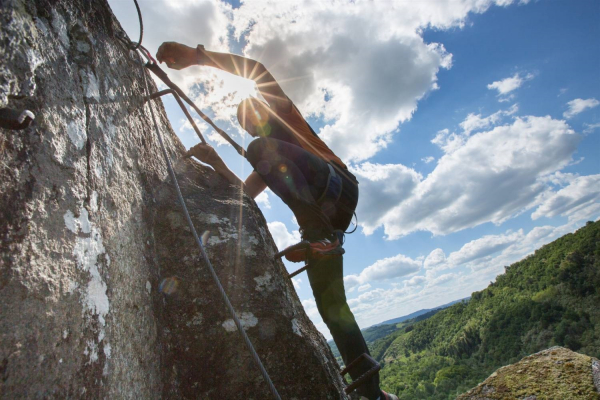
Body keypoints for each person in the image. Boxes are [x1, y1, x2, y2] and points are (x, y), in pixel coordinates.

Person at [156, 42, 398, 400]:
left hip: (337, 187)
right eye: (248, 126)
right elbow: (242, 194)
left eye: (253, 116)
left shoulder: (285, 116)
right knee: (334, 310)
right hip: (326, 223)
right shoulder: (270, 157)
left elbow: (255, 67)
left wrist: (197, 57)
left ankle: (319, 235)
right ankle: (372, 394)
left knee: (261, 153)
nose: (253, 126)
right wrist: (215, 162)